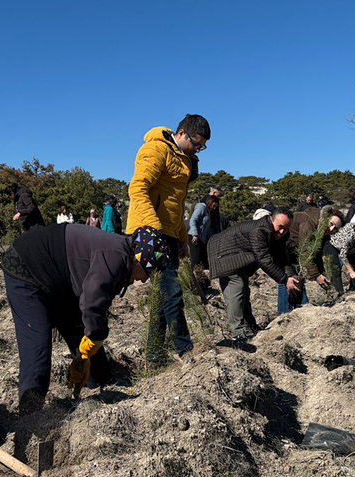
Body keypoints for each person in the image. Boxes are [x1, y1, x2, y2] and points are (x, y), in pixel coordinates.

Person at [1, 224, 169, 413]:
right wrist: (95, 338)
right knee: (37, 344)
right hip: (27, 267)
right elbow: (92, 303)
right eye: (149, 273)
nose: (145, 280)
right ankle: (30, 415)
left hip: (58, 279)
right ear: (139, 260)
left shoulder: (122, 256)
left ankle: (103, 384)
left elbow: (89, 314)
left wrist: (87, 352)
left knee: (80, 329)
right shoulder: (116, 256)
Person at [127, 114, 210, 356]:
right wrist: (154, 228)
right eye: (197, 143)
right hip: (149, 232)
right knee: (172, 290)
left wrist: (182, 239)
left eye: (202, 146)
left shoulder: (184, 159)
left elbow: (176, 205)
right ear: (182, 133)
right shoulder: (156, 149)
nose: (198, 150)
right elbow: (137, 188)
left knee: (163, 296)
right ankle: (185, 351)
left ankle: (154, 355)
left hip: (168, 235)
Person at [208, 208, 299, 340]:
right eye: (280, 227)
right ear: (271, 219)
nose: (282, 232)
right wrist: (284, 280)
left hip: (240, 259)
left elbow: (282, 258)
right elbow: (263, 259)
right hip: (223, 255)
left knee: (244, 291)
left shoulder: (281, 234)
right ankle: (238, 334)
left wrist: (291, 276)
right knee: (237, 287)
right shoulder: (260, 230)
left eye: (286, 228)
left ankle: (250, 327)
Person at [279, 207, 343, 314]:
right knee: (287, 280)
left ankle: (300, 310)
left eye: (335, 229)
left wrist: (322, 273)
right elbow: (305, 252)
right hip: (285, 249)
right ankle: (284, 314)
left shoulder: (322, 230)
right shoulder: (309, 223)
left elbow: (316, 253)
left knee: (298, 280)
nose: (331, 229)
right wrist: (316, 275)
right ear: (326, 218)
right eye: (331, 224)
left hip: (295, 251)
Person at [188, 195, 227, 269]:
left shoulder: (208, 212)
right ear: (210, 202)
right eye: (214, 205)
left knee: (204, 260)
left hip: (201, 239)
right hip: (194, 237)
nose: (214, 208)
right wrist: (195, 234)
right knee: (196, 260)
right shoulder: (201, 208)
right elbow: (193, 220)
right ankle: (193, 277)